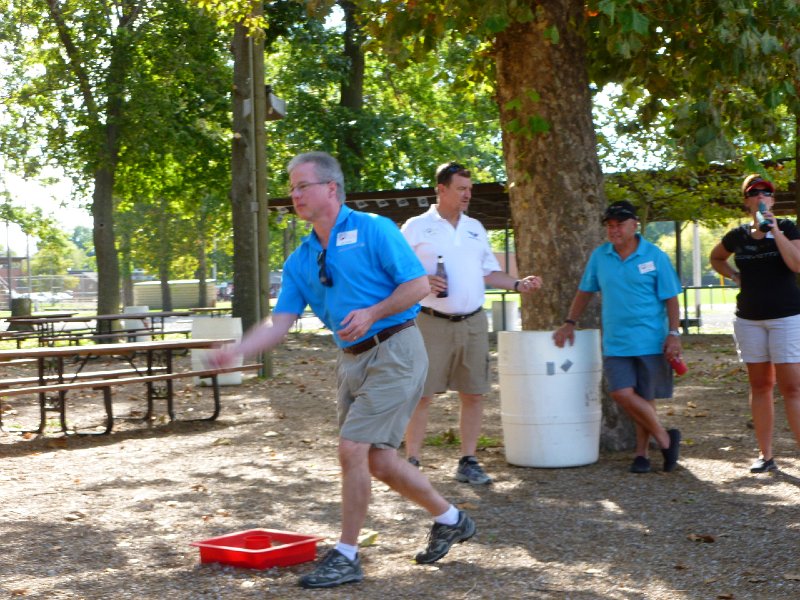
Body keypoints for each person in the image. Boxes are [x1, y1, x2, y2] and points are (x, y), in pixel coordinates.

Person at [208, 152, 475, 589]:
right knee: (381, 462)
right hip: (351, 360)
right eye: (291, 188)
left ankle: (347, 555)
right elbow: (280, 322)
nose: (294, 195)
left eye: (302, 186)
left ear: (331, 188)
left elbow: (417, 286)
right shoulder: (300, 259)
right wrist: (236, 350)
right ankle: (452, 518)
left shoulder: (374, 229)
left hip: (396, 350)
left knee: (352, 449)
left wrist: (372, 313)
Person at [400, 162, 543, 484]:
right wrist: (421, 279)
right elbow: (392, 269)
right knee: (421, 394)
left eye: (470, 189)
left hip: (474, 322)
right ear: (441, 190)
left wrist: (520, 284)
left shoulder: (475, 227)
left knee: (474, 393)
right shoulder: (416, 227)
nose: (467, 195)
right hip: (429, 322)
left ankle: (468, 460)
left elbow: (488, 272)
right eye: (461, 189)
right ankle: (412, 462)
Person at [552, 200, 683, 474]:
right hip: (616, 342)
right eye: (610, 226)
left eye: (619, 225)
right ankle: (665, 438)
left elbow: (671, 298)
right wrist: (569, 322)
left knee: (645, 398)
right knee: (621, 392)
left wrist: (674, 333)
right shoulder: (601, 256)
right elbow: (585, 291)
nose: (614, 231)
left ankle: (642, 454)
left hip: (651, 340)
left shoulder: (655, 256)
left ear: (635, 225)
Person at [709, 174, 800, 473]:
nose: (760, 196)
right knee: (760, 385)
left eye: (766, 192)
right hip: (749, 319)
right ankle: (766, 455)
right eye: (754, 193)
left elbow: (797, 264)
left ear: (772, 200)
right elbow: (716, 258)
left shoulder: (786, 228)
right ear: (747, 201)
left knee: (792, 389)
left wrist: (777, 233)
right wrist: (734, 276)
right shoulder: (738, 236)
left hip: (786, 317)